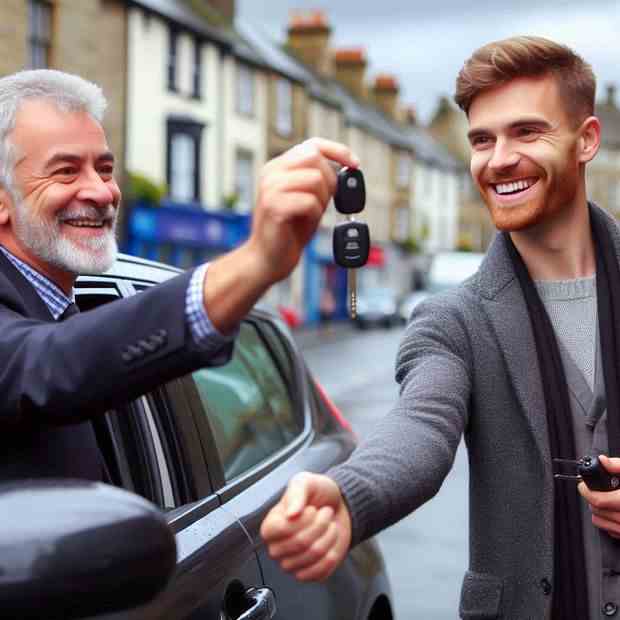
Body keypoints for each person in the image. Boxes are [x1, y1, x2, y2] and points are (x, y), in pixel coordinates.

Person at [261, 36, 620, 619]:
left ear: (586, 141)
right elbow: (419, 430)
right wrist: (349, 496)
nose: (498, 159)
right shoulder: (455, 321)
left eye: (527, 132)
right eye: (482, 139)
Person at [0, 69, 359, 482]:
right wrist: (256, 261)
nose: (101, 192)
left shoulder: (66, 303)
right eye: (65, 171)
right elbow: (49, 363)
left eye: (103, 168)